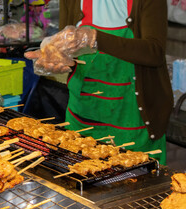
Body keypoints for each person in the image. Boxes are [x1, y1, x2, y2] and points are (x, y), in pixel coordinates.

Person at [25, 0, 173, 165]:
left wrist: (95, 38)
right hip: (83, 112)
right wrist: (56, 55)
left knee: (135, 179)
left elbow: (154, 52)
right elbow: (68, 45)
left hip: (131, 117)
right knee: (80, 173)